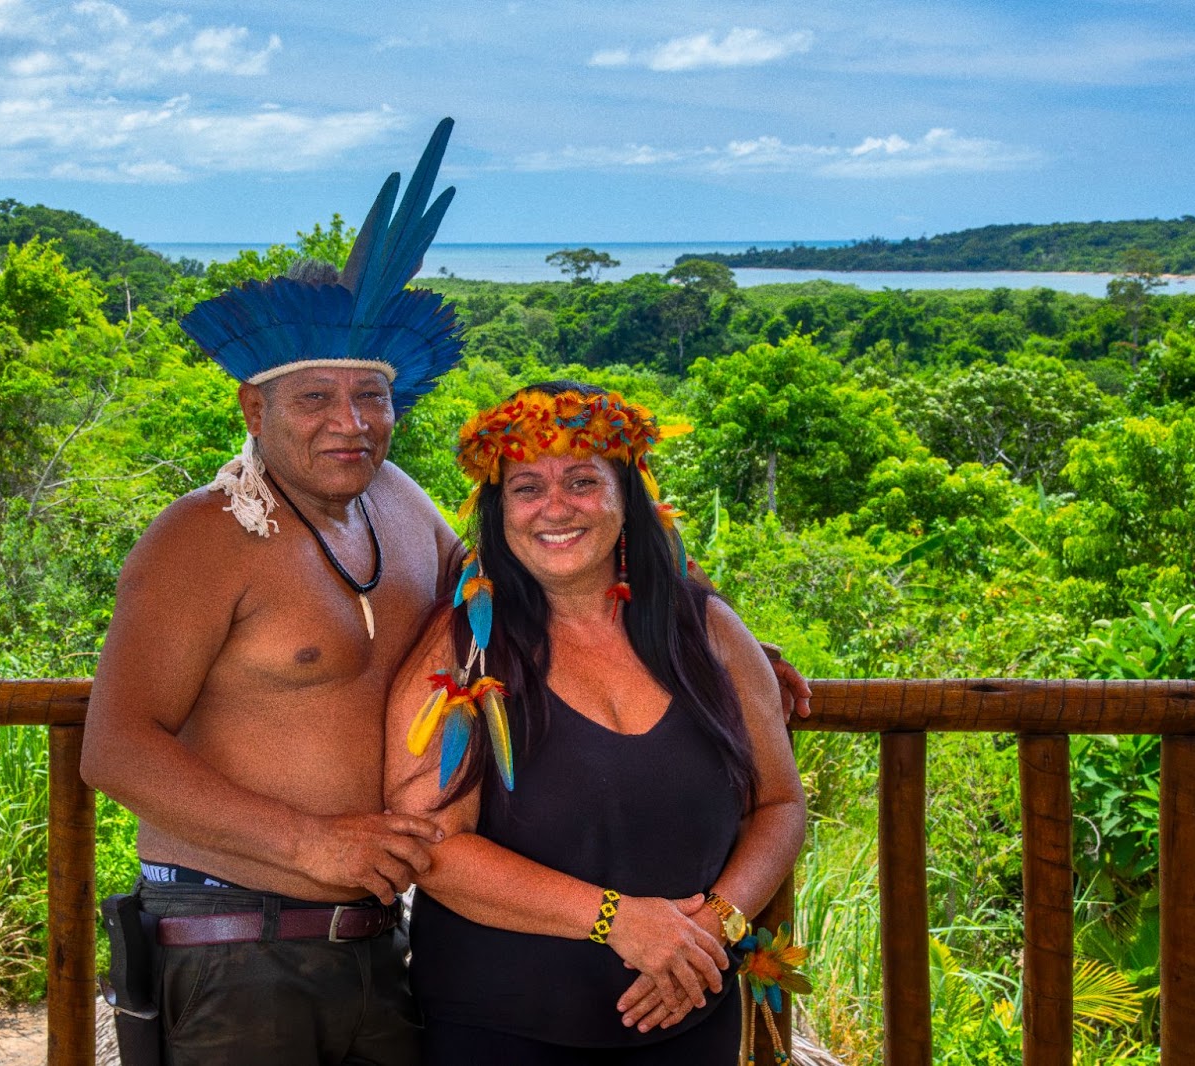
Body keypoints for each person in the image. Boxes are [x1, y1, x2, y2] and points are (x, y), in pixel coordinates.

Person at [82, 119, 813, 1065]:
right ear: (254, 408)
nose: (349, 423)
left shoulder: (398, 501)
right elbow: (115, 744)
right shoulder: (204, 537)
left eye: (371, 396)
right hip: (235, 931)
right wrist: (310, 844)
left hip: (375, 937)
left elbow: (542, 557)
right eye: (313, 399)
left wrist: (724, 646)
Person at [384, 382, 808, 1065]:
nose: (554, 507)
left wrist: (709, 931)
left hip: (689, 1016)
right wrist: (618, 920)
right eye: (527, 487)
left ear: (625, 495)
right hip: (499, 1032)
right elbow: (431, 845)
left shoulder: (706, 630)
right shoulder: (463, 646)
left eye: (582, 481)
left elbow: (781, 804)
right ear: (500, 509)